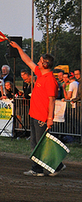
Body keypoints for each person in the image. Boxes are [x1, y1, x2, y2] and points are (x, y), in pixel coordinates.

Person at [9, 41, 64, 176]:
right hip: (34, 113)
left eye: (40, 61)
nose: (38, 63)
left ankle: (38, 169)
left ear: (46, 64)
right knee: (36, 142)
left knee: (38, 144)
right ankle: (56, 166)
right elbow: (27, 61)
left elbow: (52, 101)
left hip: (42, 116)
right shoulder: (40, 74)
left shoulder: (50, 80)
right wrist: (18, 48)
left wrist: (50, 118)